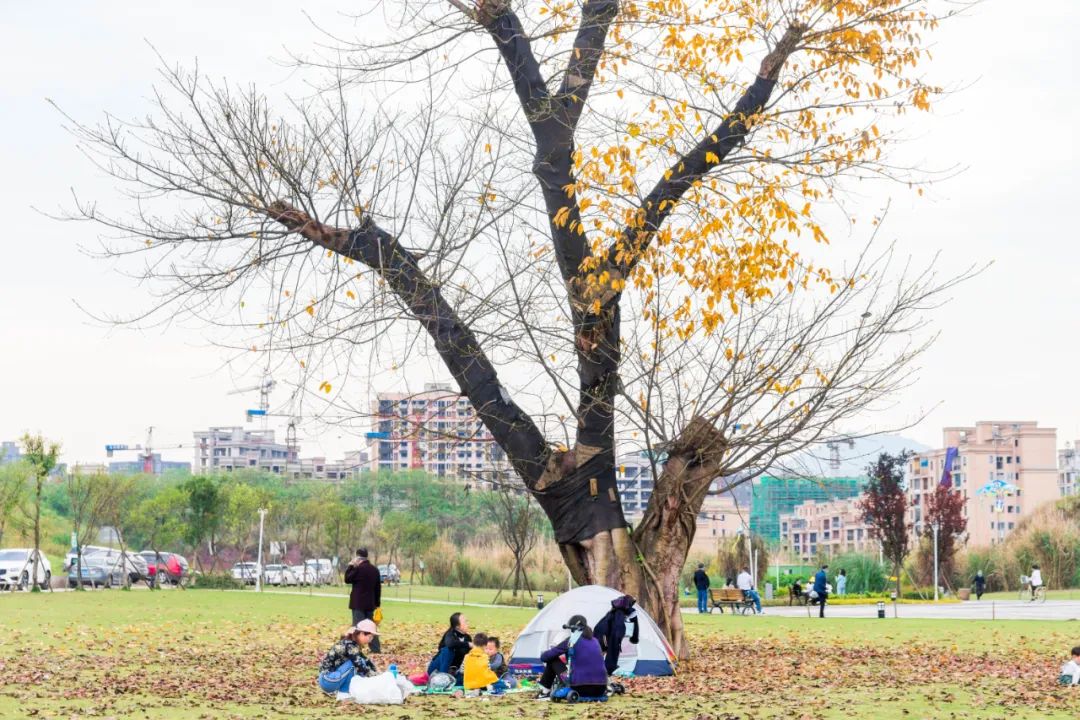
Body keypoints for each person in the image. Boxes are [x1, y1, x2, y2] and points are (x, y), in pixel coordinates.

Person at [536, 615, 608, 701]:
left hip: (579, 687)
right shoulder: (595, 641)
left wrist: (547, 652)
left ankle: (545, 692)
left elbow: (545, 657)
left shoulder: (571, 641)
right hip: (601, 688)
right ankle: (546, 691)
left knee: (553, 660)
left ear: (572, 628)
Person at [317, 620, 379, 693]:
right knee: (353, 664)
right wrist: (374, 676)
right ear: (362, 633)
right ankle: (345, 693)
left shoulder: (352, 645)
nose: (370, 641)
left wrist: (376, 671)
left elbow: (366, 660)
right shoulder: (350, 645)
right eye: (370, 637)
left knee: (359, 662)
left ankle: (344, 692)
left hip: (329, 679)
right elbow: (359, 665)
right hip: (328, 680)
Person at [344, 548, 382, 653]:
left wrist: (351, 565)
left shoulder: (357, 569)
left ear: (358, 557)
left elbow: (347, 579)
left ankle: (355, 649)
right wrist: (377, 604)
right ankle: (375, 649)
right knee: (371, 628)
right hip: (370, 604)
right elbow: (378, 588)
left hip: (358, 603)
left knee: (357, 627)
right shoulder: (374, 570)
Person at [593, 594, 640, 675]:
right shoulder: (630, 611)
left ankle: (596, 669)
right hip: (612, 633)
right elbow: (635, 626)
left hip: (599, 630)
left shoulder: (613, 611)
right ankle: (608, 670)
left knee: (600, 649)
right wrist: (634, 639)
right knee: (612, 648)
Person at [427, 612, 472, 681]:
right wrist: (468, 644)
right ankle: (442, 679)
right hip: (438, 669)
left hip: (454, 671)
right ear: (457, 626)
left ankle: (450, 681)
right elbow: (450, 644)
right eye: (465, 622)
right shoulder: (450, 634)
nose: (467, 623)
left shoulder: (467, 638)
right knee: (448, 651)